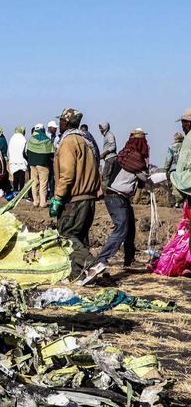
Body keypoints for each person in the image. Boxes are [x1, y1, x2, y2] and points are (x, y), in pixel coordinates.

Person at [85, 129, 151, 281]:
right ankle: (101, 260)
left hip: (117, 196)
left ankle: (129, 259)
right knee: (121, 229)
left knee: (130, 229)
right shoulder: (135, 158)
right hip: (117, 197)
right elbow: (144, 178)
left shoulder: (124, 154)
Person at [52, 108, 102, 279]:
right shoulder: (87, 140)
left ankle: (93, 265)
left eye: (61, 121)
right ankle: (78, 275)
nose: (59, 124)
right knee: (80, 237)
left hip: (74, 198)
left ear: (66, 122)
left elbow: (67, 174)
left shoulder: (68, 141)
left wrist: (57, 198)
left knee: (67, 235)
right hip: (89, 197)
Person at [25, 125, 54, 208]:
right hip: (44, 164)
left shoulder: (31, 140)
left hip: (32, 164)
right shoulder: (47, 140)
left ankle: (35, 201)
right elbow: (51, 152)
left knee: (34, 182)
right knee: (43, 183)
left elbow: (26, 152)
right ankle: (43, 202)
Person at [170, 107, 191, 203]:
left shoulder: (188, 139)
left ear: (189, 123)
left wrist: (174, 177)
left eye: (183, 124)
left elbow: (182, 163)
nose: (182, 127)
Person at [8, 127, 28, 193]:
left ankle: (15, 190)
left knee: (15, 177)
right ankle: (21, 192)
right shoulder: (23, 138)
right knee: (21, 177)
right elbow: (24, 151)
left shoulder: (12, 138)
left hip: (13, 160)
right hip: (21, 160)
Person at [99, 122, 117, 188]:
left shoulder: (109, 135)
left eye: (101, 128)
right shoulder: (106, 135)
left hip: (110, 158)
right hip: (109, 158)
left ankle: (106, 194)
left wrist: (104, 154)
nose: (100, 130)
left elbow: (113, 146)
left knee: (105, 177)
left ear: (105, 128)